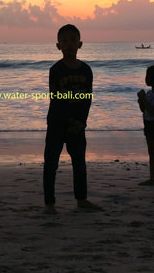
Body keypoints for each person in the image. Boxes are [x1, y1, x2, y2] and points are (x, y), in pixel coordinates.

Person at [43, 24, 102, 213]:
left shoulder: (86, 70)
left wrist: (81, 122)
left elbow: (87, 97)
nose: (69, 44)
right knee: (51, 163)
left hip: (78, 124)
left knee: (79, 162)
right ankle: (50, 203)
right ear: (58, 45)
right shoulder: (56, 70)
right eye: (65, 41)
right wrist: (70, 121)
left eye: (72, 40)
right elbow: (56, 98)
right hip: (57, 123)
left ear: (80, 44)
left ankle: (81, 199)